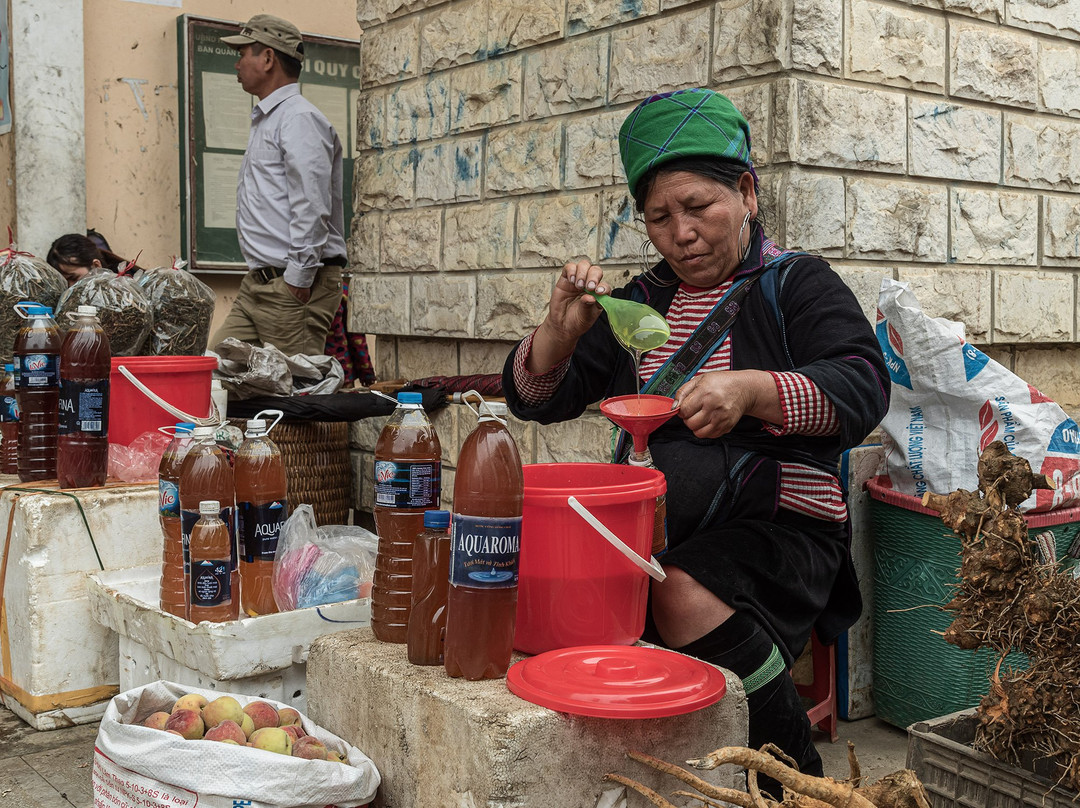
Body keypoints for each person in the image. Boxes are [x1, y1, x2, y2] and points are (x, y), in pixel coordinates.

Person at [501, 88, 890, 785]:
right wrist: (558, 332)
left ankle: (796, 772)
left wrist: (752, 392)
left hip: (782, 533)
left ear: (746, 193)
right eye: (659, 217)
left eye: (699, 207)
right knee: (544, 593)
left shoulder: (795, 283)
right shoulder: (641, 304)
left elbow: (863, 384)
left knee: (678, 590)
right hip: (652, 534)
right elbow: (538, 400)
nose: (681, 233)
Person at [212, 14, 346, 357]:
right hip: (259, 285)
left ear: (268, 58)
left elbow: (312, 205)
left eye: (243, 53)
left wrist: (297, 283)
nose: (237, 63)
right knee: (213, 375)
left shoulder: (299, 119)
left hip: (291, 285)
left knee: (296, 398)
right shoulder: (271, 119)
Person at [46, 233, 137, 286]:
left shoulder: (126, 289)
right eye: (64, 283)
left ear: (96, 266)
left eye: (74, 278)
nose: (70, 286)